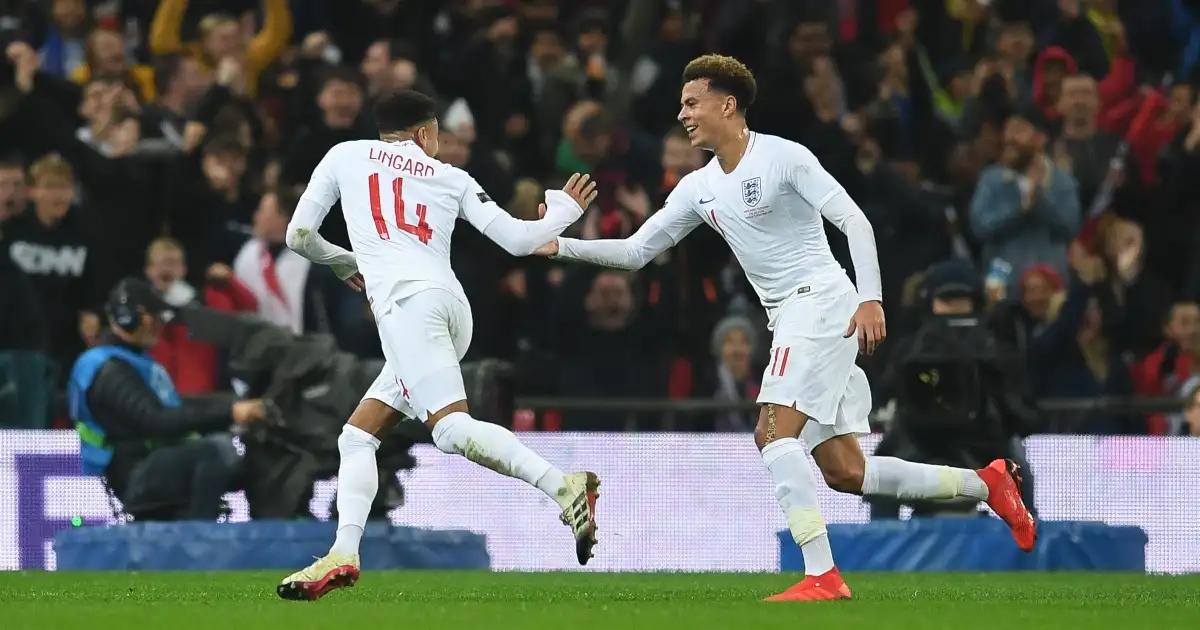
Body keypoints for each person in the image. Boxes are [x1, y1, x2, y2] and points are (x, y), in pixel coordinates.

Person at [539, 55, 1037, 602]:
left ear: (727, 105)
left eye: (691, 102)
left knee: (772, 434)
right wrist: (561, 245)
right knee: (846, 471)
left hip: (822, 302)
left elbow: (854, 220)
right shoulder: (697, 188)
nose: (682, 114)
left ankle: (822, 575)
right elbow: (636, 252)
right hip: (792, 318)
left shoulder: (783, 158)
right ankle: (987, 483)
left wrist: (871, 298)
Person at [277, 90, 601, 601]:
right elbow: (520, 241)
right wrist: (560, 211)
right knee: (357, 437)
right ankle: (344, 551)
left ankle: (563, 485)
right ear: (426, 135)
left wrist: (342, 261)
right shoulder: (451, 176)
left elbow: (298, 235)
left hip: (408, 310)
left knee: (450, 431)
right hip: (452, 308)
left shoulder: (344, 155)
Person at [66, 278, 266, 520]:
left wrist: (231, 405)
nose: (162, 326)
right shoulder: (109, 368)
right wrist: (230, 411)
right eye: (159, 317)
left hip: (147, 466)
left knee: (236, 454)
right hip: (127, 476)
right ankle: (199, 534)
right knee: (213, 451)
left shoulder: (131, 361)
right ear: (143, 318)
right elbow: (156, 419)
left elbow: (177, 406)